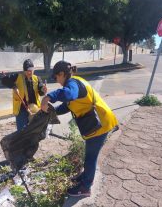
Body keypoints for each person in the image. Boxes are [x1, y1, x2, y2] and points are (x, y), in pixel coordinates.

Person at [40, 60, 118, 197]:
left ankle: (86, 187)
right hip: (98, 122)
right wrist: (53, 111)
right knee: (89, 155)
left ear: (62, 74)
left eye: (56, 77)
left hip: (101, 123)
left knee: (90, 157)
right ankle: (86, 176)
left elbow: (69, 94)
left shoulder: (72, 84)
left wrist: (48, 97)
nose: (56, 80)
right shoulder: (74, 82)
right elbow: (68, 105)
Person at [1, 59, 47, 131]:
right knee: (21, 131)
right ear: (24, 70)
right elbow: (4, 80)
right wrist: (14, 86)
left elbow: (41, 92)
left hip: (34, 109)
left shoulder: (37, 78)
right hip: (21, 109)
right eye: (27, 70)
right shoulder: (17, 77)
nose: (29, 72)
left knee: (33, 130)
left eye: (31, 70)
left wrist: (43, 90)